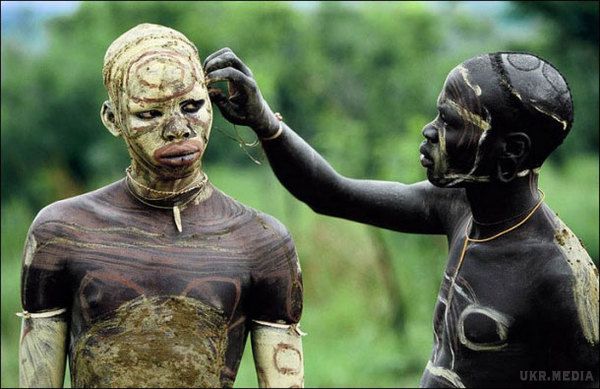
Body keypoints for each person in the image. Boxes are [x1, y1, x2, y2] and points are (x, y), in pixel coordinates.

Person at [204, 48, 599, 387]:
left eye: (451, 122)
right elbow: (329, 193)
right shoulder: (458, 206)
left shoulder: (559, 278)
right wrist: (264, 121)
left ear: (511, 153)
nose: (430, 131)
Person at [19, 24, 305, 388]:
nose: (177, 129)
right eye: (150, 114)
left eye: (192, 107)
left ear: (213, 104)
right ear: (112, 119)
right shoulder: (62, 233)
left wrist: (266, 123)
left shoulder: (262, 243)